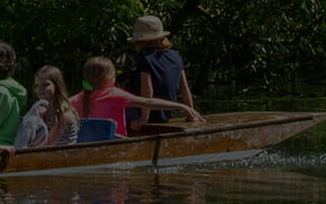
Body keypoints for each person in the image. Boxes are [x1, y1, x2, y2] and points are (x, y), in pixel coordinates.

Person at [71, 56, 203, 138]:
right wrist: (182, 106)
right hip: (115, 144)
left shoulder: (77, 98)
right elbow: (148, 102)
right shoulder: (113, 94)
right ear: (108, 79)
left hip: (87, 143)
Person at [125, 15, 195, 133]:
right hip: (165, 114)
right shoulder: (175, 56)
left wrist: (143, 119)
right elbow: (184, 88)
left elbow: (147, 90)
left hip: (148, 114)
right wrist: (191, 112)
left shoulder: (144, 57)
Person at [14, 65, 80, 148]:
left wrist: (39, 119)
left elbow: (48, 144)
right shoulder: (38, 110)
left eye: (45, 84)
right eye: (37, 85)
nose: (40, 89)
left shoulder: (64, 115)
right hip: (44, 156)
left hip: (63, 157)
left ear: (57, 86)